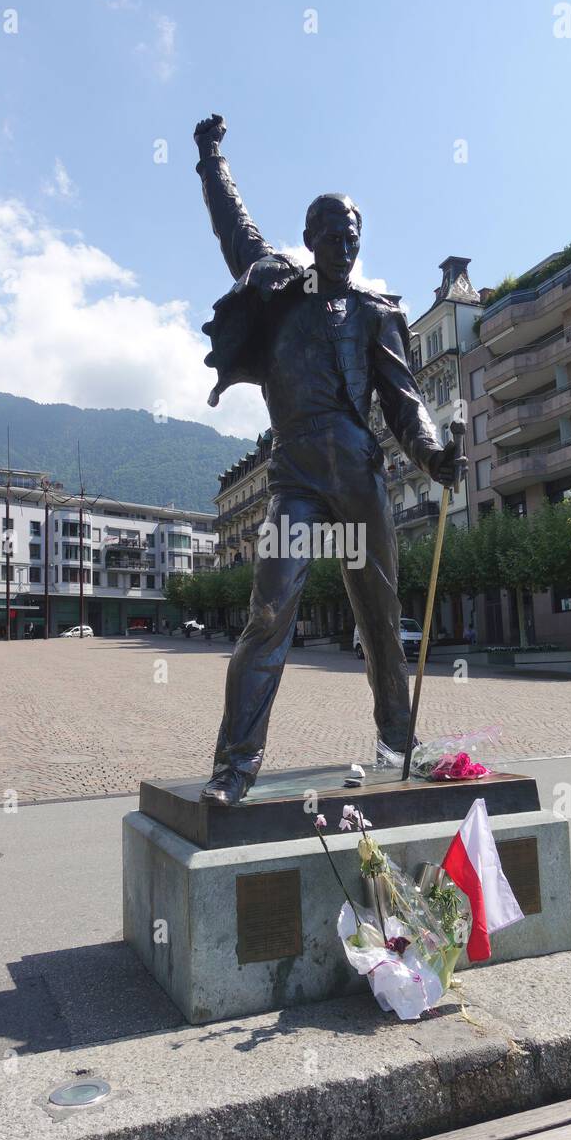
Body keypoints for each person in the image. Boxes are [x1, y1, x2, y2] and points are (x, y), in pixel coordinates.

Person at [193, 113, 465, 806]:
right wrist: (211, 156)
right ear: (309, 241)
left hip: (359, 473)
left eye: (353, 236)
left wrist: (432, 456)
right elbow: (233, 223)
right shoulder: (278, 292)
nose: (344, 246)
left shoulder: (379, 315)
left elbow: (405, 402)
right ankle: (235, 765)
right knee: (270, 611)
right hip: (296, 476)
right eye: (332, 236)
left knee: (379, 617)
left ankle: (397, 744)